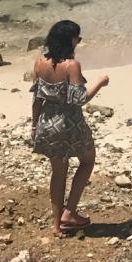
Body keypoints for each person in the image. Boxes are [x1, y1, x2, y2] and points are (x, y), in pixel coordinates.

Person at [30, 20, 108, 236]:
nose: (78, 41)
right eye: (78, 38)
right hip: (69, 122)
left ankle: (56, 225)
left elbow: (36, 99)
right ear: (70, 40)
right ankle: (70, 212)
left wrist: (34, 126)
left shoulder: (39, 63)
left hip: (47, 121)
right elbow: (79, 99)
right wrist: (100, 82)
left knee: (58, 174)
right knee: (87, 161)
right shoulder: (71, 66)